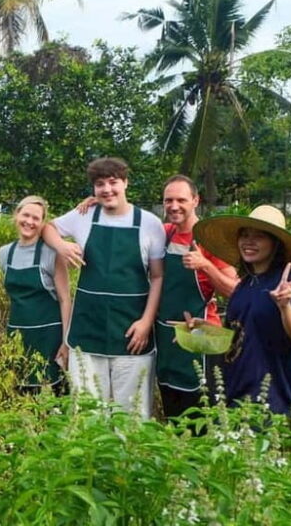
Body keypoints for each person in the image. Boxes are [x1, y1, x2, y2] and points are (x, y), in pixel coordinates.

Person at [76, 175, 240, 417]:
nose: (174, 206)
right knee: (171, 408)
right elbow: (126, 218)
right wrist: (101, 201)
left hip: (199, 337)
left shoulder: (211, 240)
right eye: (168, 200)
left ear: (196, 200)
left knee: (202, 411)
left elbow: (235, 291)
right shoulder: (163, 233)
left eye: (181, 200)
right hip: (164, 336)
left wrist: (205, 265)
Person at [42, 157, 166, 418]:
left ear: (126, 183)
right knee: (87, 413)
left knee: (131, 415)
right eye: (100, 184)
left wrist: (146, 322)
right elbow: (49, 227)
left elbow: (157, 277)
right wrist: (62, 246)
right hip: (88, 330)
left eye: (113, 182)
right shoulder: (83, 215)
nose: (107, 189)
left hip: (131, 333)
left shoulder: (149, 223)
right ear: (93, 190)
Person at [194, 205, 291, 415]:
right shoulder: (244, 286)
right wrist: (201, 331)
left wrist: (285, 306)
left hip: (269, 397)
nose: (248, 241)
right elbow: (237, 338)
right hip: (234, 393)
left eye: (259, 236)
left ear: (275, 243)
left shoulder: (290, 283)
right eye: (244, 235)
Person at [0, 196, 71, 391]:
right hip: (17, 336)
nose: (29, 222)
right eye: (26, 215)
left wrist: (66, 342)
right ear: (16, 215)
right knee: (20, 393)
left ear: (42, 223)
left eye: (36, 218)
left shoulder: (52, 253)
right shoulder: (5, 253)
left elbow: (65, 300)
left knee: (52, 395)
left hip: (49, 337)